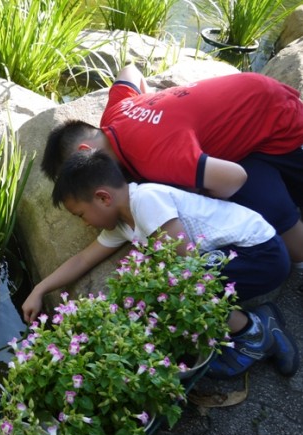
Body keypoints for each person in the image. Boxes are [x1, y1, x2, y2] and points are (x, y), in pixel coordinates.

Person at [22, 149, 300, 379]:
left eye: (81, 214)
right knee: (177, 287)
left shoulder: (146, 200)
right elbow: (83, 259)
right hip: (240, 255)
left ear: (103, 198)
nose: (85, 223)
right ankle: (249, 326)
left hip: (259, 252)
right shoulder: (121, 223)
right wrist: (39, 290)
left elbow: (185, 266)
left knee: (182, 285)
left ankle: (258, 331)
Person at [40, 65, 303, 266]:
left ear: (86, 150)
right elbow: (130, 70)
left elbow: (233, 180)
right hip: (248, 96)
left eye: (78, 172)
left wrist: (193, 191)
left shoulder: (155, 156)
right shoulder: (113, 115)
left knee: (295, 250)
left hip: (275, 119)